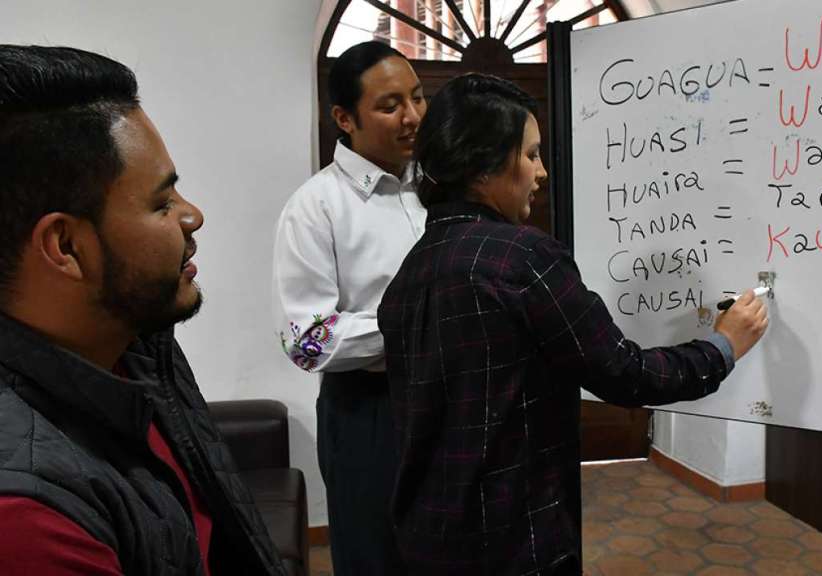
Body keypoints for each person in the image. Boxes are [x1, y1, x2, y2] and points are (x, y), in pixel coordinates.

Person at [377, 74, 769, 574]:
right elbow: (626, 375)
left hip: (425, 539)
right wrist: (724, 345)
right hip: (516, 543)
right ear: (482, 165)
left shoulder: (411, 271)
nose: (541, 172)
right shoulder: (523, 258)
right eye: (531, 154)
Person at [0, 45, 285, 575]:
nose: (193, 216)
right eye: (162, 202)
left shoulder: (141, 347)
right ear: (66, 246)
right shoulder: (27, 521)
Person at [272, 40, 426, 575]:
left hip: (448, 399)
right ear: (344, 118)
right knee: (374, 557)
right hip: (369, 412)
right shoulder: (316, 207)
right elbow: (306, 340)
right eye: (389, 105)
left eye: (417, 97)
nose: (412, 117)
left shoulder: (437, 189)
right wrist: (414, 328)